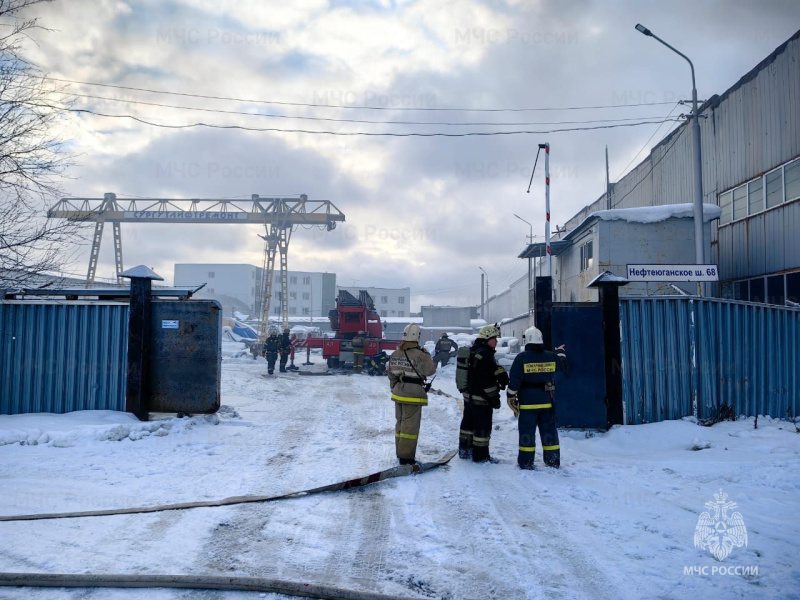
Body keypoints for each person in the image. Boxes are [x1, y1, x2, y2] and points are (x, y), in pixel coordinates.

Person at [506, 326, 567, 469]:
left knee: (527, 433)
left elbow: (514, 382)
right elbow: (562, 365)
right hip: (547, 403)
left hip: (527, 405)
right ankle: (552, 461)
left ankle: (526, 462)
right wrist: (560, 352)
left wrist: (510, 396)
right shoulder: (551, 356)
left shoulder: (521, 358)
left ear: (526, 341)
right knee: (549, 432)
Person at [459, 324, 508, 463]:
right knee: (482, 427)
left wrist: (501, 373)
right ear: (487, 339)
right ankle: (480, 456)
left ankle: (465, 450)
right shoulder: (485, 354)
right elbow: (487, 382)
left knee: (468, 424)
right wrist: (494, 399)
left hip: (469, 396)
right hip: (481, 399)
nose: (496, 341)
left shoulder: (474, 351)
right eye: (494, 339)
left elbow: (488, 370)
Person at [388, 323, 436, 465]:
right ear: (417, 337)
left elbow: (391, 375)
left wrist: (394, 388)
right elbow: (430, 371)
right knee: (410, 427)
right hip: (413, 394)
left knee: (400, 424)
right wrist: (427, 356)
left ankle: (399, 452)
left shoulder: (396, 353)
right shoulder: (420, 355)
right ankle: (406, 458)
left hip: (398, 392)